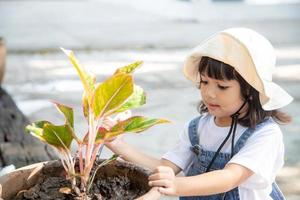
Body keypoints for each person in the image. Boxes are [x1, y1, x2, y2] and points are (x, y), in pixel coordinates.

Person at [105, 27, 293, 200]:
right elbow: (164, 168)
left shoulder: (265, 135)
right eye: (204, 82)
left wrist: (175, 185)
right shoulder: (198, 128)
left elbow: (230, 177)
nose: (209, 93)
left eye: (222, 86)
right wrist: (118, 145)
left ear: (252, 91)